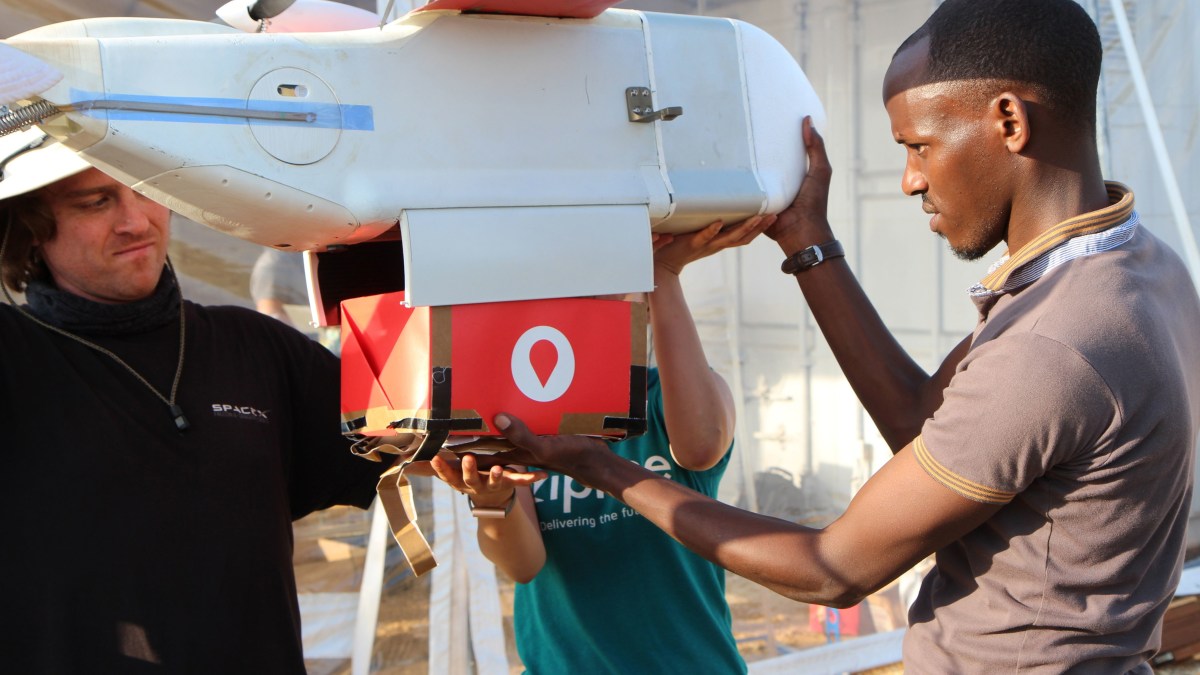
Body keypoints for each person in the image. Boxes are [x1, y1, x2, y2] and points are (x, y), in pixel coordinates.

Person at [478, 0, 1200, 672]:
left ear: (1008, 121)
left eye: (919, 145)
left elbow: (832, 569)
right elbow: (919, 422)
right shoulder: (1141, 269)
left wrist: (600, 467)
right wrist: (806, 238)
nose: (909, 179)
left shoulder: (1052, 345)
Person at [0, 128, 391, 673]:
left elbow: (416, 440)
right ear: (28, 228)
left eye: (146, 188)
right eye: (96, 201)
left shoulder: (258, 346)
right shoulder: (14, 353)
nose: (137, 221)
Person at [424, 217, 771, 674]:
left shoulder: (665, 398)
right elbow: (524, 566)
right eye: (570, 289)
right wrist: (493, 503)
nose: (587, 304)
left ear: (643, 302)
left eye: (611, 282)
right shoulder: (520, 417)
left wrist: (663, 276)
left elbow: (702, 445)